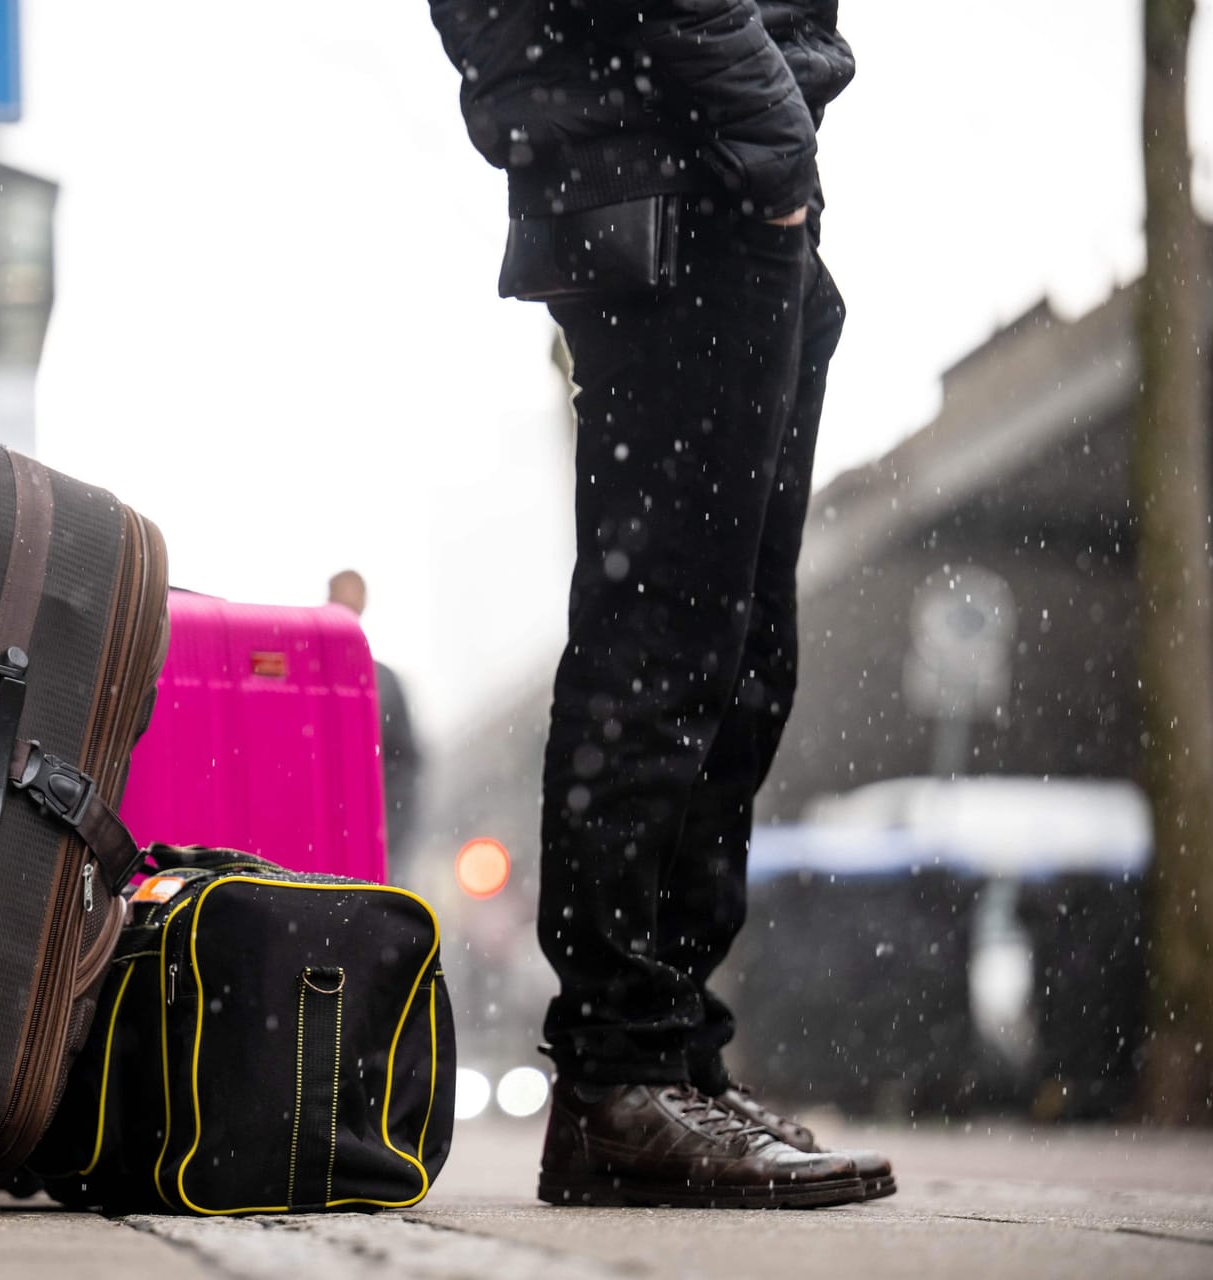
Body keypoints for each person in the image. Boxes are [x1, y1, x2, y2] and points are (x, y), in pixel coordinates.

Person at [427, 0, 895, 1207]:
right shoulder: (712, 145)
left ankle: (672, 1051)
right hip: (687, 171)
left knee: (737, 654)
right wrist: (773, 138)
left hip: (706, 162)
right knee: (669, 642)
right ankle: (620, 1076)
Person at [328, 570, 424, 872]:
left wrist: (391, 834)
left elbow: (406, 761)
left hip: (376, 835)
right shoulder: (313, 675)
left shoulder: (384, 682)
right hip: (332, 830)